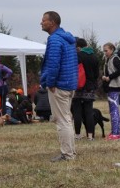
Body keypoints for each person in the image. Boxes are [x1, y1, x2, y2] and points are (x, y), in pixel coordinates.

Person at [39, 10, 78, 160]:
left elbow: (53, 64)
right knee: (67, 118)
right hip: (69, 83)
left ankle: (67, 154)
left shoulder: (55, 40)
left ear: (52, 22)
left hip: (59, 85)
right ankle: (71, 151)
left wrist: (50, 83)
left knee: (62, 120)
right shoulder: (68, 40)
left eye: (43, 20)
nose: (41, 23)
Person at [72, 37, 100, 140]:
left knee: (77, 111)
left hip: (79, 86)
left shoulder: (78, 56)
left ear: (78, 47)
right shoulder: (94, 56)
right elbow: (97, 74)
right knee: (89, 111)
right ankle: (90, 136)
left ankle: (78, 135)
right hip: (90, 87)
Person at [101, 42, 120, 140]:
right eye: (104, 51)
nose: (105, 53)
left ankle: (115, 133)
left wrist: (109, 77)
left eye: (106, 50)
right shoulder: (108, 59)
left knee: (114, 111)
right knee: (113, 110)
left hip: (114, 86)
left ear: (112, 50)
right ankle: (115, 131)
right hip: (111, 86)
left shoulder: (115, 59)